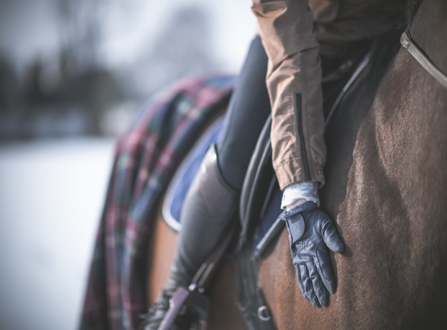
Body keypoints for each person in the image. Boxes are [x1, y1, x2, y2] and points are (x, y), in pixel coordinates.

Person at [139, 0, 405, 328]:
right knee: (235, 155)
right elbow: (288, 38)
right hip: (299, 43)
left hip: (401, 37)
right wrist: (298, 190)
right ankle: (173, 298)